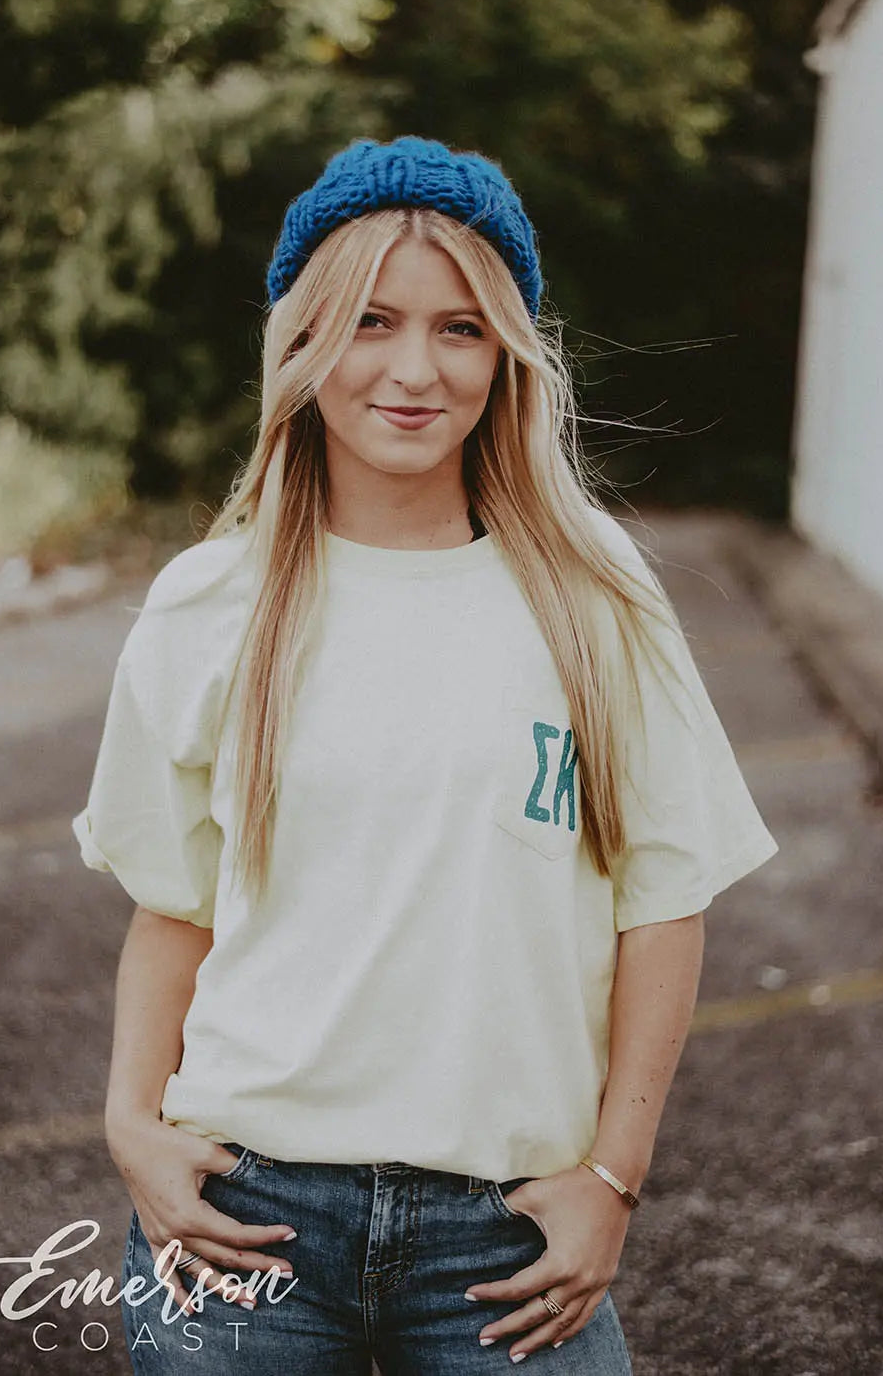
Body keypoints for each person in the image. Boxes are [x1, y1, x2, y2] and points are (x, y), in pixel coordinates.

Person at [72, 134, 779, 1374]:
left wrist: (613, 1176)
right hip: (243, 1212)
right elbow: (173, 905)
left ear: (506, 353)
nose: (414, 370)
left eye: (459, 328)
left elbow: (663, 901)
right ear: (305, 340)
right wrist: (132, 1122)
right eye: (371, 321)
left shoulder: (594, 591)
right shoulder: (211, 599)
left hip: (507, 1232)